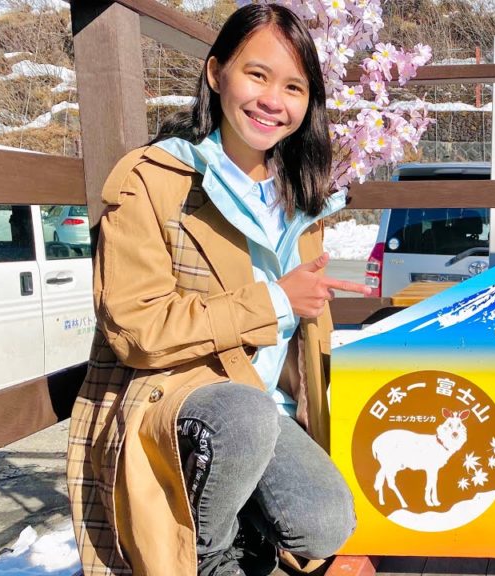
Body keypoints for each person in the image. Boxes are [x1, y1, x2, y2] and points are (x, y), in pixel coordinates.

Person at [66, 4, 371, 575]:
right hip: (179, 403)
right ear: (215, 74)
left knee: (327, 521)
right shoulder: (154, 179)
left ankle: (235, 536)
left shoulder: (301, 199)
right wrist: (276, 299)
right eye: (256, 75)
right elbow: (136, 328)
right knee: (242, 415)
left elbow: (308, 338)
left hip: (263, 409)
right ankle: (206, 557)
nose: (272, 101)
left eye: (293, 87)